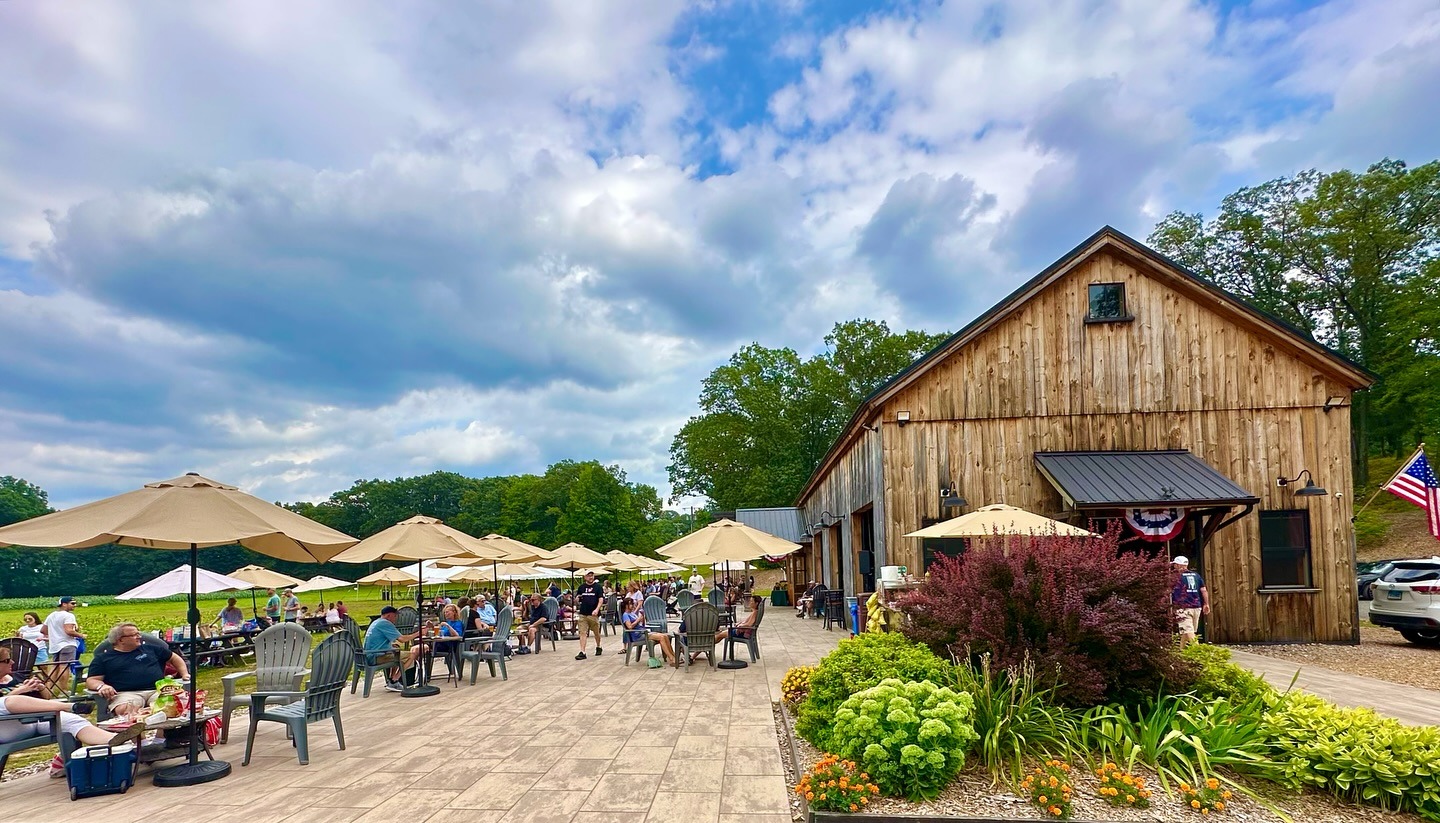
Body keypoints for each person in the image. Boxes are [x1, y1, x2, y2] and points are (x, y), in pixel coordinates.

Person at [0, 645, 113, 778]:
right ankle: (70, 706)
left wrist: (41, 688)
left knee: (71, 720)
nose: (12, 662)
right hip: (9, 728)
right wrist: (18, 692)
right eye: (7, 660)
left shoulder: (16, 677)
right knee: (7, 702)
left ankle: (118, 741)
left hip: (38, 720)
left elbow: (47, 697)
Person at [85, 623, 190, 717]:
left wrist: (184, 673)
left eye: (138, 633)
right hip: (126, 693)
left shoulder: (151, 649)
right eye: (134, 635)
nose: (139, 637)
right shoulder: (103, 658)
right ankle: (139, 739)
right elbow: (92, 680)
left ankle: (161, 737)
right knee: (126, 710)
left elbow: (174, 658)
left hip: (158, 689)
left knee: (172, 704)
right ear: (120, 640)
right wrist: (102, 686)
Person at [363, 606, 423, 693]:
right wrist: (419, 633)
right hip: (376, 656)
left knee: (396, 650)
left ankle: (391, 680)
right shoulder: (385, 623)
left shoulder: (376, 622)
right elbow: (403, 639)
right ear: (388, 615)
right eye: (395, 616)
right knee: (412, 654)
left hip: (368, 654)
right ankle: (395, 680)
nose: (395, 619)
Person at [622, 598, 677, 666]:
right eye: (631, 604)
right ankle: (671, 658)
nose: (633, 605)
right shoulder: (625, 615)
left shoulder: (632, 614)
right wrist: (638, 620)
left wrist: (642, 619)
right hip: (638, 635)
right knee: (662, 637)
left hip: (643, 632)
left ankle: (674, 656)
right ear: (626, 605)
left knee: (665, 636)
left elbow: (640, 624)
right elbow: (629, 627)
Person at [43, 597, 84, 689]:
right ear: (64, 604)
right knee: (64, 667)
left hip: (55, 645)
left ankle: (47, 688)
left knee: (55, 666)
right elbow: (69, 631)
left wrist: (55, 634)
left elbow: (43, 630)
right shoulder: (69, 616)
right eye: (72, 603)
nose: (75, 605)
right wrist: (81, 635)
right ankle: (64, 690)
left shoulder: (51, 615)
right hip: (67, 644)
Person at [1171, 556, 1210, 645]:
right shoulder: (1196, 575)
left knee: (1188, 631)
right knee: (1188, 631)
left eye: (1174, 565)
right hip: (1197, 606)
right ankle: (1182, 651)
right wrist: (1206, 604)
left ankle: (1199, 652)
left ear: (1177, 565)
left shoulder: (1175, 577)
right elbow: (1203, 590)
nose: (1173, 567)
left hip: (1182, 607)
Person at [574, 570, 605, 660]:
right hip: (583, 613)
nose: (590, 577)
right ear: (585, 577)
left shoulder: (598, 587)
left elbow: (601, 599)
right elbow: (578, 599)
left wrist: (597, 609)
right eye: (588, 576)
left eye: (592, 575)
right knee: (582, 632)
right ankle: (582, 651)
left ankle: (598, 646)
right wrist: (576, 599)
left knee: (596, 633)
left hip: (593, 614)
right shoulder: (581, 587)